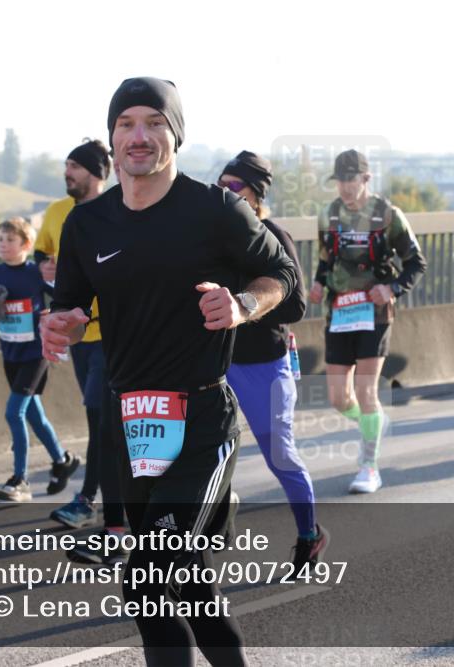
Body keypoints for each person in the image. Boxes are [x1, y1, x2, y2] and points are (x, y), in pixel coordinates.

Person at [42, 77, 298, 667]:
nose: (139, 136)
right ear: (112, 138)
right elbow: (73, 307)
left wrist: (241, 304)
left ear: (175, 135)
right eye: (127, 123)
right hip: (131, 425)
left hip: (203, 421)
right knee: (189, 587)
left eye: (154, 123)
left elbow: (281, 276)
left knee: (147, 578)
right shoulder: (88, 224)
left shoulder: (215, 209)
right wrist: (63, 324)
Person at [217, 150, 327, 569]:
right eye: (221, 185)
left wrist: (245, 305)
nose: (225, 192)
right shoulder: (213, 233)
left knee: (280, 455)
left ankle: (309, 534)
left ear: (256, 194)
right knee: (205, 453)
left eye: (234, 186)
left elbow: (296, 305)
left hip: (263, 362)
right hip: (217, 361)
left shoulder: (272, 234)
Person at [309, 149, 427, 494]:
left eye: (351, 179)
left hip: (374, 313)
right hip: (339, 312)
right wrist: (318, 282)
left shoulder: (388, 216)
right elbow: (325, 260)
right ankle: (372, 423)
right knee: (338, 397)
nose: (345, 187)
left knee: (365, 390)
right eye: (340, 180)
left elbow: (416, 263)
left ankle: (369, 466)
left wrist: (391, 288)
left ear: (366, 178)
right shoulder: (328, 215)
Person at [35, 140, 129, 562]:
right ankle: (103, 507)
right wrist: (45, 266)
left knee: (104, 419)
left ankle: (93, 504)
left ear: (95, 172)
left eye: (74, 166)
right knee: (100, 422)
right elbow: (41, 250)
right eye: (66, 165)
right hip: (77, 337)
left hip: (111, 332)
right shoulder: (58, 212)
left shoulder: (117, 207)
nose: (67, 173)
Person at [0, 217, 80, 502]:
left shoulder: (34, 274)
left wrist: (61, 317)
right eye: (0, 239)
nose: (3, 245)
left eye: (10, 240)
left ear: (26, 244)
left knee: (14, 413)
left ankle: (19, 479)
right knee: (34, 413)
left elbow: (61, 296)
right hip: (10, 352)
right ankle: (62, 460)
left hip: (36, 354)